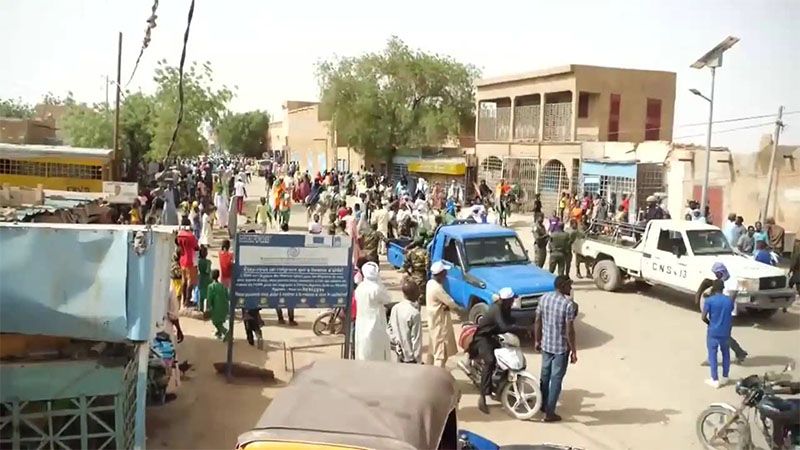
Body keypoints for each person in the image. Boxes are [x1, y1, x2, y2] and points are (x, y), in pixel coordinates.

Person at [469, 287, 522, 414]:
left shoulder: (505, 307)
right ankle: (482, 396)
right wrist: (518, 327)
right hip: (483, 337)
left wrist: (518, 324)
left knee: (507, 357)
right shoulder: (496, 309)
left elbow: (509, 321)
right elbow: (503, 325)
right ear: (506, 300)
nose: (513, 301)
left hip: (494, 335)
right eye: (511, 299)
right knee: (490, 361)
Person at [534, 275, 577, 422]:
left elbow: (537, 321)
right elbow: (569, 331)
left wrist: (537, 340)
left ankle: (542, 405)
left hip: (546, 345)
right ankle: (549, 413)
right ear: (563, 286)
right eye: (569, 286)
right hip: (560, 349)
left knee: (544, 376)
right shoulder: (568, 305)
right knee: (556, 380)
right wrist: (574, 351)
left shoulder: (544, 298)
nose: (570, 289)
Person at [695, 262, 748, 364]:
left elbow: (731, 299)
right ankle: (739, 352)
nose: (716, 276)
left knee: (721, 336)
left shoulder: (732, 282)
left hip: (727, 313)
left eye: (717, 274)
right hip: (717, 312)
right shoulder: (720, 282)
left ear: (722, 272)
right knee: (722, 336)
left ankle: (736, 353)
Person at [353, 261, 392, 361]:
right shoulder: (376, 289)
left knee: (363, 348)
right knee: (377, 350)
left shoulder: (360, 288)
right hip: (376, 323)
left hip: (362, 322)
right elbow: (388, 299)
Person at [426, 261, 460, 367]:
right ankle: (437, 377)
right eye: (445, 272)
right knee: (440, 354)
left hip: (433, 321)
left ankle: (428, 373)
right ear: (441, 274)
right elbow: (451, 303)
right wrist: (462, 311)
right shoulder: (437, 288)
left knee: (433, 350)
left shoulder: (430, 283)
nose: (446, 274)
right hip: (440, 323)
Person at [702, 279, 733, 388]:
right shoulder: (729, 301)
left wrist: (710, 323)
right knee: (726, 354)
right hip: (725, 331)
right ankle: (725, 377)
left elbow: (703, 317)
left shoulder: (709, 301)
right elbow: (730, 312)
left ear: (713, 288)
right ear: (723, 288)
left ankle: (714, 379)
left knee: (713, 355)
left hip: (713, 331)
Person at [388, 277, 423, 364]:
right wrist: (417, 360)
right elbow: (416, 339)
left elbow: (389, 328)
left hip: (398, 353)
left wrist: (396, 344)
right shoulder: (414, 313)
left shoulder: (395, 308)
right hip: (410, 358)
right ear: (416, 294)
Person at [176, 217, 199, 306]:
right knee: (190, 280)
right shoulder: (191, 236)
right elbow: (196, 247)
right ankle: (187, 300)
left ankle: (183, 299)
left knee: (183, 280)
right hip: (189, 259)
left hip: (182, 259)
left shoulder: (179, 235)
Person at [403, 235, 429, 304]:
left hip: (414, 274)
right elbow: (427, 265)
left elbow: (405, 265)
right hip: (422, 275)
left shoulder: (410, 252)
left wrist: (409, 273)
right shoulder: (425, 252)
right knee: (422, 291)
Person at [207, 269, 230, 340]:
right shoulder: (223, 286)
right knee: (220, 320)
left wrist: (208, 307)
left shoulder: (211, 286)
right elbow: (228, 296)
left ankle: (225, 332)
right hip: (225, 306)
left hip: (217, 307)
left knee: (216, 322)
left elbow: (209, 298)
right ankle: (219, 332)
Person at [197, 246, 211, 312]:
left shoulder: (198, 261)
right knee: (208, 295)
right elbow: (208, 271)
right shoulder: (208, 262)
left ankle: (200, 308)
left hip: (200, 279)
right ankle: (208, 308)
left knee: (201, 296)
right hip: (207, 280)